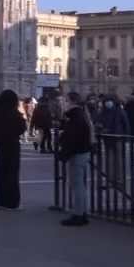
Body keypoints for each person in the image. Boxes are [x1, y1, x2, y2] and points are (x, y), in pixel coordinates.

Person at [59, 92, 93, 226]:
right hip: (81, 152)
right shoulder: (78, 115)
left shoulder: (76, 117)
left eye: (65, 101)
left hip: (77, 153)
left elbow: (73, 138)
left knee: (77, 185)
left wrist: (64, 153)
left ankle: (78, 214)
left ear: (71, 102)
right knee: (79, 185)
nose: (64, 103)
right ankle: (81, 212)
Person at [0, 89, 26, 210]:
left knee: (2, 173)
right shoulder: (14, 114)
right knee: (12, 173)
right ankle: (12, 202)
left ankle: (1, 201)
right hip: (12, 145)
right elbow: (22, 128)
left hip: (2, 145)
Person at [97, 96, 130, 188]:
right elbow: (98, 122)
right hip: (108, 138)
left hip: (117, 137)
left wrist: (126, 137)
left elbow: (126, 123)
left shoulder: (119, 111)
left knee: (118, 160)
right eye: (106, 101)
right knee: (110, 161)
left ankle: (119, 180)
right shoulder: (103, 112)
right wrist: (101, 128)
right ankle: (111, 180)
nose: (108, 103)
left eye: (109, 101)